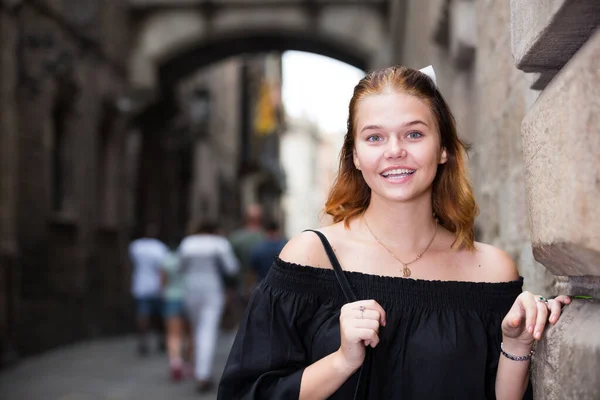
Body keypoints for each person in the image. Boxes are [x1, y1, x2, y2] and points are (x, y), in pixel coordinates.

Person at [217, 66, 571, 399]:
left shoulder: (492, 270)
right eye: (374, 137)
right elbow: (248, 392)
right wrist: (341, 361)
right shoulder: (310, 256)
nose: (395, 151)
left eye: (414, 133)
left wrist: (518, 345)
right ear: (355, 156)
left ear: (444, 149)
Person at [179, 220, 239, 393]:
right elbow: (231, 268)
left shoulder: (187, 243)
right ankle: (202, 374)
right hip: (212, 290)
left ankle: (200, 370)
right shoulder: (219, 243)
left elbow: (180, 267)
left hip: (191, 289)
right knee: (208, 331)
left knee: (197, 330)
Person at [129, 223, 169, 356]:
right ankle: (161, 339)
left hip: (140, 285)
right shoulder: (160, 248)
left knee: (143, 314)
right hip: (157, 286)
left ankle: (143, 340)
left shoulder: (136, 246)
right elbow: (164, 269)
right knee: (159, 315)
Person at [159, 248, 188, 381]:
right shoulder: (187, 258)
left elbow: (162, 281)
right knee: (188, 333)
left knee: (173, 334)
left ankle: (175, 363)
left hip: (171, 297)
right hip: (188, 296)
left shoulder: (167, 260)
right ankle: (189, 362)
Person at [249, 219, 287, 284]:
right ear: (277, 229)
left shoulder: (257, 248)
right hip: (281, 287)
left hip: (262, 286)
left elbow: (252, 271)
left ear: (265, 230)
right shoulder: (285, 247)